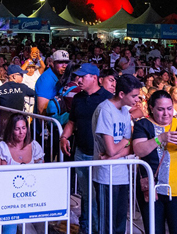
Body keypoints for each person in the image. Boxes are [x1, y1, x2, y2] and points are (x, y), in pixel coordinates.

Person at [61, 63, 111, 234]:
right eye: (77, 76)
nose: (78, 80)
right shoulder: (78, 98)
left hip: (100, 155)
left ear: (94, 78)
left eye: (82, 77)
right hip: (81, 152)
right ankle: (87, 227)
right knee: (86, 194)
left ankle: (98, 228)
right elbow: (72, 121)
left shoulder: (107, 98)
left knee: (99, 196)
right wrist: (64, 137)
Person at [90, 75, 143, 234]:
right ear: (121, 94)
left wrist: (115, 153)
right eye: (133, 96)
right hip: (106, 175)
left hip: (122, 173)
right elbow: (113, 147)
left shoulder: (125, 112)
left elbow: (131, 147)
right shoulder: (105, 110)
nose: (137, 99)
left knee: (120, 223)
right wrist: (125, 141)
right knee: (107, 225)